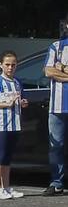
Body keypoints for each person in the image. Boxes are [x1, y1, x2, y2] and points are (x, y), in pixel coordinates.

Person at [0, 51, 26, 200]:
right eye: (7, 65)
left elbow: (22, 99)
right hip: (1, 125)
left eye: (13, 65)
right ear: (1, 65)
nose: (10, 68)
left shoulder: (17, 82)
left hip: (15, 124)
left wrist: (22, 103)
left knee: (7, 157)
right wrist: (6, 104)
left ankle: (6, 187)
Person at [41, 19, 68, 196]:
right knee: (56, 146)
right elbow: (48, 71)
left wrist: (62, 67)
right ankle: (57, 182)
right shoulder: (56, 46)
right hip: (58, 106)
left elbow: (55, 70)